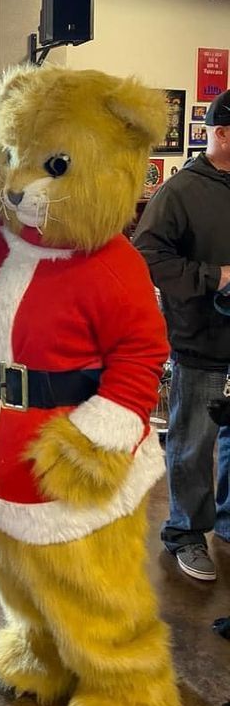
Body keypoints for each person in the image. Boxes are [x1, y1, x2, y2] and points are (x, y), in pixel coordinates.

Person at [134, 90, 230, 581]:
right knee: (194, 441)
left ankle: (228, 523)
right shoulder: (181, 191)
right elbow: (148, 253)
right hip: (202, 339)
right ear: (221, 133)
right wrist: (215, 277)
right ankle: (185, 533)